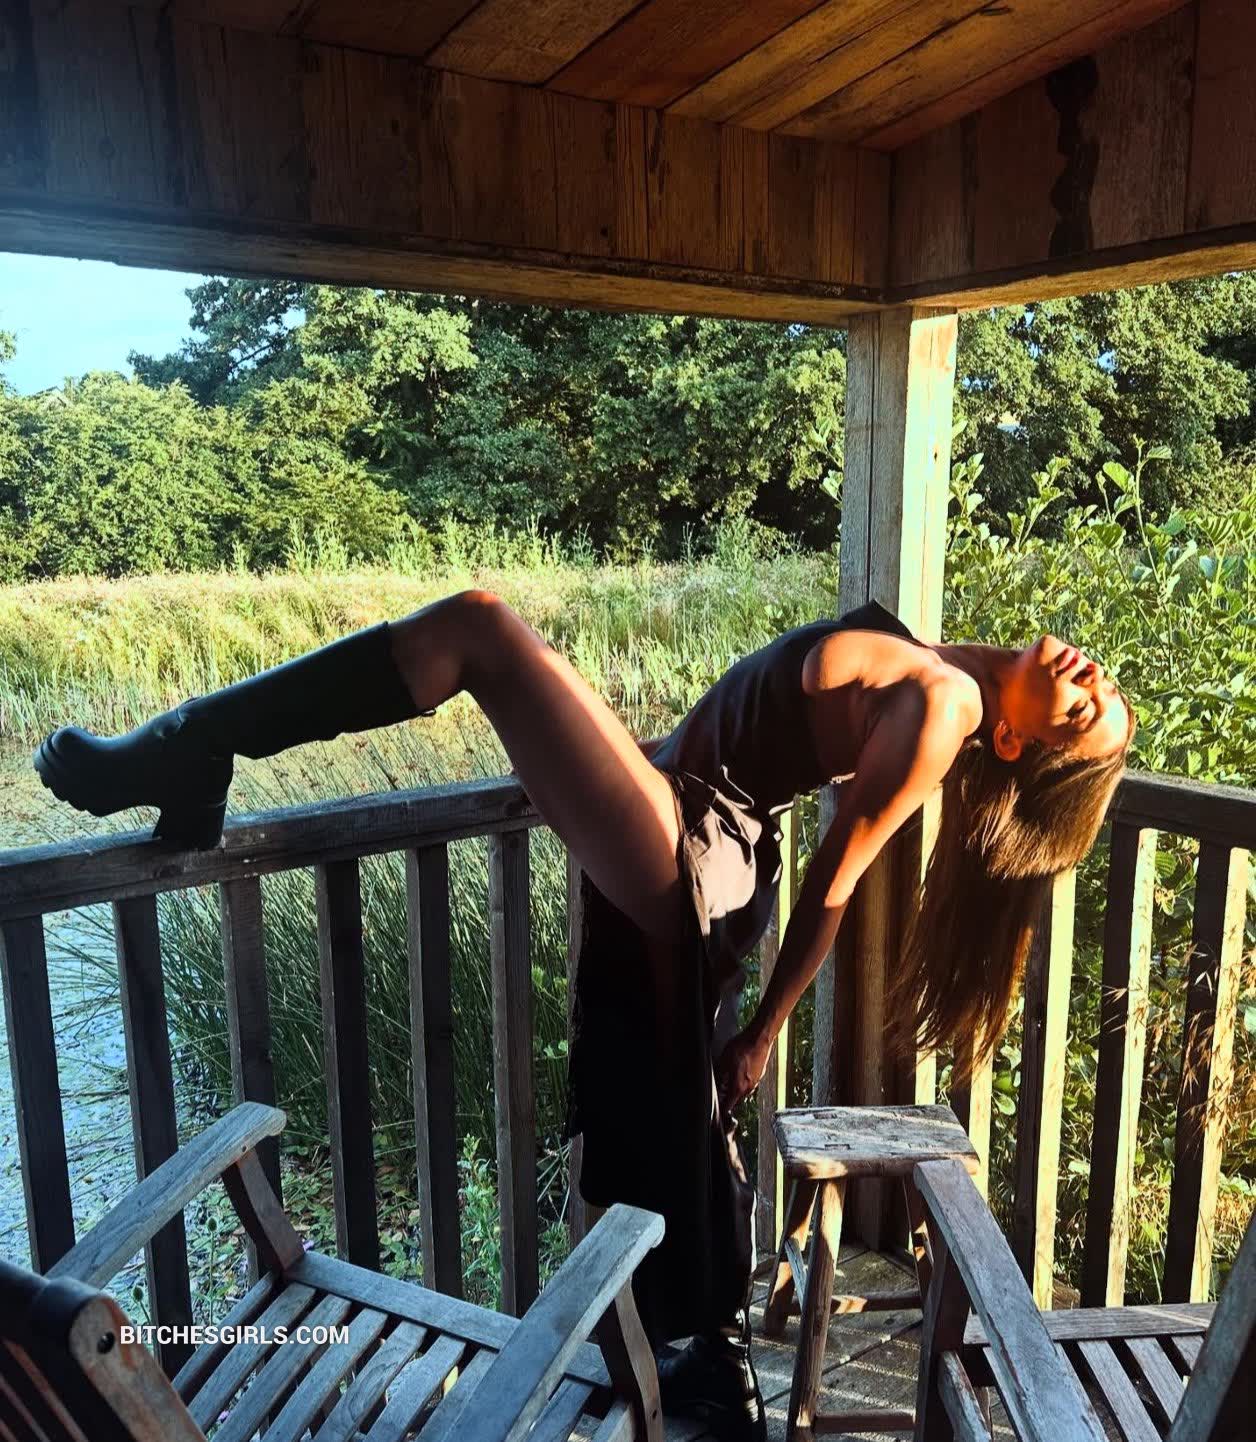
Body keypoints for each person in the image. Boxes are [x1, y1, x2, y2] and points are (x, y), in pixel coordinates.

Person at [33, 592, 1134, 1442]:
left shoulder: (947, 706)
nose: (1087, 681)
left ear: (1013, 746)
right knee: (661, 1100)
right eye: (1100, 685)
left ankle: (192, 743)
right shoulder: (936, 662)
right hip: (685, 812)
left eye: (1084, 717)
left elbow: (834, 884)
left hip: (699, 845)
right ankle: (695, 1346)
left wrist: (760, 1033)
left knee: (480, 631)